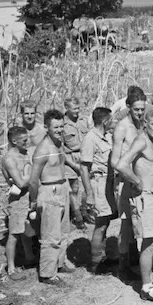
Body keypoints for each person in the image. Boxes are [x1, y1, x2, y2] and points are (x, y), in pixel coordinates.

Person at [115, 108, 153, 302]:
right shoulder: (141, 140)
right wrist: (137, 182)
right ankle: (146, 287)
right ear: (145, 123)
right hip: (145, 198)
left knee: (151, 241)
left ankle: (149, 279)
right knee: (148, 242)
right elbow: (121, 164)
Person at [29, 109, 81, 286]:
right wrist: (33, 202)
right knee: (50, 235)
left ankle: (59, 263)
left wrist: (77, 168)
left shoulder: (58, 143)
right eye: (55, 127)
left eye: (61, 126)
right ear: (46, 127)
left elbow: (63, 159)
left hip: (62, 187)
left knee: (64, 230)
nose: (59, 130)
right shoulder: (42, 150)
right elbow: (33, 180)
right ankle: (47, 274)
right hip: (49, 192)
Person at [110, 87, 147, 281]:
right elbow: (115, 161)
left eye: (142, 109)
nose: (140, 113)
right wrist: (134, 179)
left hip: (140, 182)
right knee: (126, 224)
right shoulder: (122, 127)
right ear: (128, 107)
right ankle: (123, 266)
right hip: (125, 182)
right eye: (136, 109)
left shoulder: (142, 124)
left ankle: (139, 257)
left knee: (141, 220)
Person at [80, 107, 118, 275]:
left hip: (108, 182)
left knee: (106, 220)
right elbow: (84, 169)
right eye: (111, 119)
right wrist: (89, 194)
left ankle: (102, 256)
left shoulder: (107, 137)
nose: (113, 122)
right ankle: (96, 263)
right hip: (98, 183)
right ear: (105, 121)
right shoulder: (90, 139)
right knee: (100, 224)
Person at [1, 126, 37, 281]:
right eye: (24, 140)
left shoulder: (24, 153)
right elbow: (21, 183)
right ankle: (11, 268)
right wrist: (35, 172)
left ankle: (29, 257)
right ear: (14, 141)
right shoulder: (9, 159)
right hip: (18, 201)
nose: (27, 142)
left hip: (29, 197)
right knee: (14, 233)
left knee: (26, 229)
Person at [62, 97, 91, 229]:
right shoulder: (62, 124)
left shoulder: (84, 120)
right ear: (66, 109)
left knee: (87, 186)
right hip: (70, 159)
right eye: (74, 109)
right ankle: (77, 216)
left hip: (86, 155)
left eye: (78, 108)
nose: (77, 111)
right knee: (74, 189)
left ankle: (86, 212)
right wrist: (73, 165)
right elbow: (60, 148)